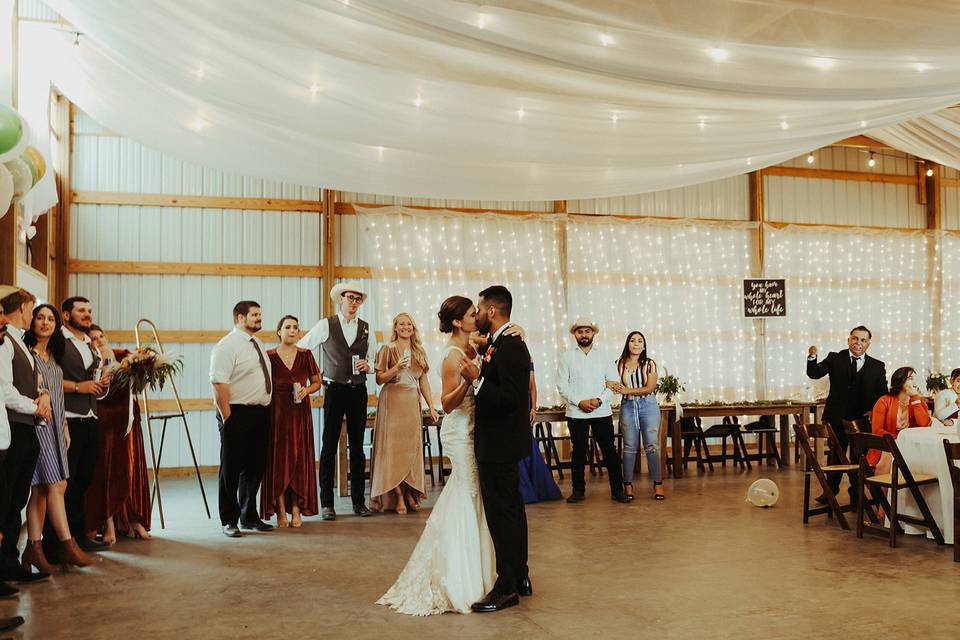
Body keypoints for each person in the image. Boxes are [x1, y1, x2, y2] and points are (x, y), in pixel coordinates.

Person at [377, 296, 495, 615]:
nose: (478, 317)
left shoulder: (474, 348)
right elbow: (448, 403)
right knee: (465, 491)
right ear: (458, 322)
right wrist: (470, 381)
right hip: (459, 431)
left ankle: (480, 570)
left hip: (475, 429)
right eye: (473, 314)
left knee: (474, 495)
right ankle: (458, 578)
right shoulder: (451, 356)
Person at [459, 285, 533, 613]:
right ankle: (520, 575)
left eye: (478, 309)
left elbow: (512, 398)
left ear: (492, 311)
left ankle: (506, 588)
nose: (475, 314)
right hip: (501, 442)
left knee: (502, 514)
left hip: (499, 443)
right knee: (512, 510)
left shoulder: (512, 347)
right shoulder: (501, 343)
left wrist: (477, 379)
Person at [23, 304, 96, 570]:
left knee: (43, 489)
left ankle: (34, 548)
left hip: (56, 426)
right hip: (38, 424)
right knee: (56, 484)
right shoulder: (28, 354)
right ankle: (67, 544)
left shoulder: (53, 355)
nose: (45, 323)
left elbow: (58, 395)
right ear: (31, 322)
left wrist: (64, 426)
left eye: (50, 319)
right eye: (40, 318)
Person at [297, 282, 378, 520]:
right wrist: (314, 375)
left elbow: (374, 360)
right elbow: (303, 348)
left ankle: (358, 502)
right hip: (333, 390)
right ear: (340, 300)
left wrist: (369, 366)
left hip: (358, 391)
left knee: (357, 446)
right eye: (349, 298)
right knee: (329, 445)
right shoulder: (326, 324)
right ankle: (327, 504)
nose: (353, 302)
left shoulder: (366, 329)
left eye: (357, 299)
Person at [43, 296, 110, 560]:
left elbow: (90, 380)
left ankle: (78, 536)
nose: (87, 315)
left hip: (90, 416)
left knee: (83, 480)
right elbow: (47, 376)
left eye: (90, 311)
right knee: (62, 483)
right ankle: (53, 544)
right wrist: (78, 387)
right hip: (67, 418)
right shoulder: (58, 341)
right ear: (67, 315)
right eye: (81, 310)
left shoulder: (88, 344)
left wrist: (100, 387)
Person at [210, 301, 274, 538]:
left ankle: (249, 515)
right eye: (254, 315)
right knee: (231, 468)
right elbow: (218, 383)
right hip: (236, 412)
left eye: (260, 314)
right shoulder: (226, 346)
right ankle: (229, 519)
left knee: (255, 466)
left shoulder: (257, 343)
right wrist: (228, 417)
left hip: (259, 412)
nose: (259, 318)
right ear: (240, 318)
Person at [0, 288, 51, 584]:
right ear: (21, 307)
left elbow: (34, 380)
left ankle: (9, 560)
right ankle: (5, 563)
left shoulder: (23, 343)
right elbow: (6, 390)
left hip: (28, 427)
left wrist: (42, 394)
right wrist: (35, 407)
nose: (34, 315)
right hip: (14, 428)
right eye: (33, 309)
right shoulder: (5, 342)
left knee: (18, 498)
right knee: (7, 500)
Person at [84, 326, 151, 543]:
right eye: (93, 339)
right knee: (107, 472)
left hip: (129, 423)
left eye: (101, 336)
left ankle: (133, 519)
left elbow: (141, 381)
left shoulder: (123, 356)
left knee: (129, 471)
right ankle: (109, 522)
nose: (99, 341)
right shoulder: (91, 363)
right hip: (106, 423)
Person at [806, 326, 887, 504]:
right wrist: (812, 357)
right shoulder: (835, 358)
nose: (858, 343)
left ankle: (856, 493)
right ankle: (830, 491)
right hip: (836, 417)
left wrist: (874, 408)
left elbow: (882, 394)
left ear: (868, 343)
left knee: (860, 457)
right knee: (836, 454)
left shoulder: (877, 366)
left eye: (863, 340)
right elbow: (814, 373)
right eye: (855, 339)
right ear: (849, 340)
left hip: (862, 420)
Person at [370, 313, 438, 514]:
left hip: (411, 403)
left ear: (413, 328)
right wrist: (395, 368)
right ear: (395, 327)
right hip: (392, 401)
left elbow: (423, 380)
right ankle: (398, 494)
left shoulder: (419, 351)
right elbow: (380, 379)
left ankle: (411, 492)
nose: (406, 327)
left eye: (409, 324)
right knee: (392, 449)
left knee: (412, 448)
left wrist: (431, 406)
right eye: (402, 324)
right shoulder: (387, 349)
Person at [557, 318, 630, 505]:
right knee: (579, 452)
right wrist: (579, 402)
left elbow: (613, 383)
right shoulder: (566, 356)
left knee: (609, 451)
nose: (584, 335)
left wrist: (598, 400)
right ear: (575, 334)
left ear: (593, 334)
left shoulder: (604, 355)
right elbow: (562, 385)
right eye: (580, 331)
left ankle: (618, 490)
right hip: (576, 411)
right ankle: (578, 490)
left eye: (587, 331)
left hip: (601, 411)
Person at [260, 315, 320, 527]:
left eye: (295, 327)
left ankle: (297, 509)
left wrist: (307, 390)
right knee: (278, 461)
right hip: (276, 411)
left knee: (298, 460)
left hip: (299, 411)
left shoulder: (306, 355)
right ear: (279, 331)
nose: (292, 331)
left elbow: (317, 382)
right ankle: (281, 511)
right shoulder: (269, 356)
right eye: (287, 327)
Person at [609, 331, 664, 501]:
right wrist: (614, 386)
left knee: (651, 445)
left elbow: (649, 388)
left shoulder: (649, 364)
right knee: (629, 447)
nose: (636, 344)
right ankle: (628, 485)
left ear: (644, 346)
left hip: (648, 405)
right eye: (633, 340)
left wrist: (627, 390)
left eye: (640, 341)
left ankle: (658, 483)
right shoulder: (618, 363)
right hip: (627, 406)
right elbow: (610, 382)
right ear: (627, 344)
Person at [867, 367, 931, 473]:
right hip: (887, 447)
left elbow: (924, 425)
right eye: (910, 378)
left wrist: (914, 397)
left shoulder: (918, 402)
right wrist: (899, 440)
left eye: (914, 379)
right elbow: (877, 430)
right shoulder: (884, 401)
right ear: (900, 381)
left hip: (912, 447)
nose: (914, 382)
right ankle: (888, 487)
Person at [517, 362, 561, 504]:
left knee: (527, 444)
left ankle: (533, 488)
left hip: (523, 405)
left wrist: (533, 408)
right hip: (509, 402)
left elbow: (532, 387)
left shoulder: (526, 356)